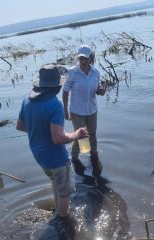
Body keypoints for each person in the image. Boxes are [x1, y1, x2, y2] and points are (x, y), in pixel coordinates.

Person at [16, 64, 88, 219]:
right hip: (57, 159)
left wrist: (40, 131)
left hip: (39, 156)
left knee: (56, 183)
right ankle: (63, 222)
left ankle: (57, 212)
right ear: (57, 86)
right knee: (65, 192)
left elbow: (20, 126)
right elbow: (58, 139)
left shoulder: (26, 101)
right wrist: (77, 134)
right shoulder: (55, 105)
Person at [62, 45, 105, 173]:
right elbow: (65, 91)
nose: (83, 61)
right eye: (80, 58)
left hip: (92, 110)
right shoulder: (72, 72)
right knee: (80, 137)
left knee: (92, 135)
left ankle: (94, 156)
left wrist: (100, 91)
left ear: (91, 58)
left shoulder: (96, 72)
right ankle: (73, 159)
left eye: (85, 59)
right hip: (77, 111)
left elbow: (96, 89)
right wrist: (65, 110)